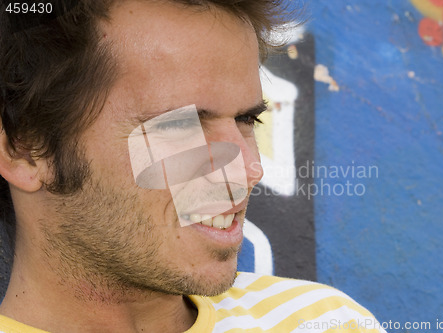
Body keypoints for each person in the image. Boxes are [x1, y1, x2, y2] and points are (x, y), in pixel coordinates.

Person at [0, 1, 387, 332]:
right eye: (181, 125)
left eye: (247, 120)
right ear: (26, 151)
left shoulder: (325, 322)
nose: (249, 171)